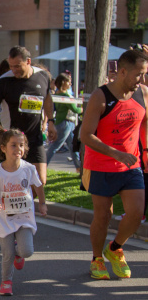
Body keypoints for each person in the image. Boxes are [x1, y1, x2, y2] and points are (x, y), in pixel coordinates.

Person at [79, 49, 148, 280]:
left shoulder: (143, 94)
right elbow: (86, 135)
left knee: (137, 212)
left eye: (145, 74)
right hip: (100, 164)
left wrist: (145, 154)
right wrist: (115, 153)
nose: (142, 80)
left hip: (131, 165)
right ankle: (97, 258)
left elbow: (145, 124)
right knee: (103, 216)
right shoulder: (101, 96)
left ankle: (115, 247)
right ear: (123, 72)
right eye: (139, 74)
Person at [0, 129, 47, 296]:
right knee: (7, 254)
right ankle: (6, 281)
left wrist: (43, 204)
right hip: (4, 219)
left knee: (27, 251)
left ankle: (20, 255)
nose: (18, 149)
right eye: (14, 145)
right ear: (3, 148)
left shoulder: (29, 168)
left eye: (21, 145)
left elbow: (38, 185)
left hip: (24, 217)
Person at [0, 47, 56, 187]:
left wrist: (51, 122)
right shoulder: (4, 82)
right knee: (14, 184)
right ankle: (15, 207)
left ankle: (24, 205)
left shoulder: (42, 76)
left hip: (35, 138)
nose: (14, 70)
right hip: (13, 139)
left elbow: (47, 99)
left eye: (17, 66)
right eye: (11, 66)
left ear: (28, 61)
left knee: (40, 182)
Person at [46, 73, 82, 171]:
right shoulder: (66, 95)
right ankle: (42, 166)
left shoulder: (57, 94)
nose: (70, 83)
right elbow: (75, 110)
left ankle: (78, 167)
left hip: (63, 123)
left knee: (72, 146)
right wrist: (83, 108)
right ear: (63, 82)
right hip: (66, 123)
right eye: (68, 81)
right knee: (54, 147)